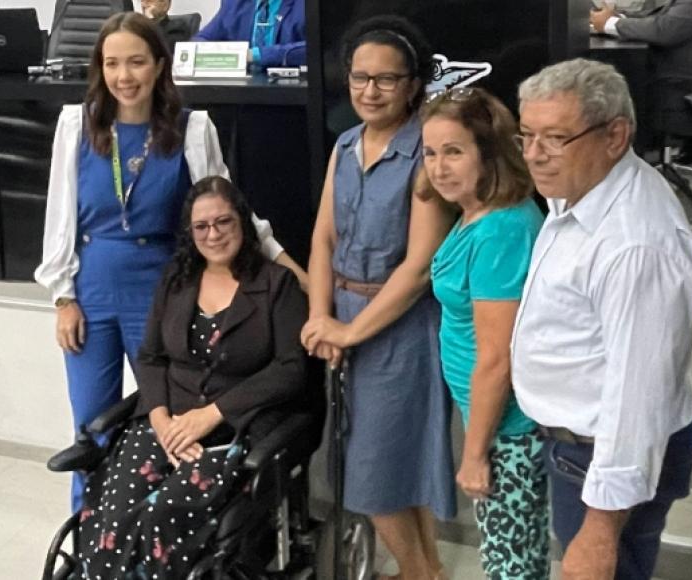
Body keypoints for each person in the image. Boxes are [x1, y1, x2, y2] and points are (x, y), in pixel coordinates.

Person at [34, 11, 305, 511]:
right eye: (112, 64)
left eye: (136, 62)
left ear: (160, 65)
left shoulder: (192, 128)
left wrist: (299, 275)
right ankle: (91, 530)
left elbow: (231, 212)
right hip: (91, 292)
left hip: (163, 295)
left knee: (167, 419)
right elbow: (59, 216)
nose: (124, 76)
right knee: (90, 428)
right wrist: (62, 298)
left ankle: (156, 527)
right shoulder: (76, 124)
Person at [511, 58, 692, 580]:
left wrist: (600, 528)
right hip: (579, 449)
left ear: (615, 136)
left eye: (555, 138)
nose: (534, 154)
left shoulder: (633, 244)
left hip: (602, 460)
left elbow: (638, 396)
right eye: (526, 135)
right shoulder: (585, 187)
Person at [74, 175, 308, 579]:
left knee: (160, 516)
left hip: (234, 430)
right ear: (190, 232)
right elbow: (151, 357)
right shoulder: (177, 280)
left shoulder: (276, 284)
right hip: (166, 422)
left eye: (224, 222)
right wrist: (161, 421)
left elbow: (292, 369)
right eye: (202, 226)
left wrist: (212, 414)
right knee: (113, 513)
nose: (213, 235)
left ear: (242, 222)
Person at [300, 16, 457, 580]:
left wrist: (349, 332)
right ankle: (427, 569)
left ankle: (419, 573)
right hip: (342, 317)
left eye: (386, 79)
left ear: (413, 85)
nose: (370, 91)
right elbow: (322, 239)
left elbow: (418, 268)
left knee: (376, 472)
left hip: (402, 329)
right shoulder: (345, 144)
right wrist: (320, 317)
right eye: (359, 78)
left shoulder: (426, 152)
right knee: (388, 464)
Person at [420, 87, 548, 579]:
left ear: (489, 152)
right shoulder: (474, 212)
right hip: (493, 424)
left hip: (508, 432)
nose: (439, 167)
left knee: (510, 567)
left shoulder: (501, 230)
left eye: (454, 151)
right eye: (430, 153)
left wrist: (474, 455)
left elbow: (497, 358)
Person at [590, 0, 692, 89]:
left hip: (681, 83)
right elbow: (663, 16)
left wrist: (611, 23)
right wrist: (619, 18)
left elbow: (664, 30)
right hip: (671, 74)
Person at [193, 0, 306, 68]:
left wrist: (255, 55)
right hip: (241, 92)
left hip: (291, 92)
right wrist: (224, 54)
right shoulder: (234, 3)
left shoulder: (306, 5)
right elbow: (200, 41)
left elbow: (313, 49)